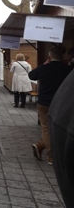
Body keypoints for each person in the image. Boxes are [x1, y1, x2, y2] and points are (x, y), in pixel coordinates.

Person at [28, 47, 72, 166]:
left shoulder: (45, 68)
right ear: (62, 57)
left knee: (46, 128)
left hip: (44, 103)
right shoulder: (67, 70)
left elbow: (31, 75)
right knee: (57, 128)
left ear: (49, 57)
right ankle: (42, 146)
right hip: (61, 103)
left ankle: (50, 155)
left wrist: (43, 64)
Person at [48, 65, 74, 207]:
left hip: (50, 105)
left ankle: (45, 149)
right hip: (52, 106)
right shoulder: (66, 70)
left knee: (45, 129)